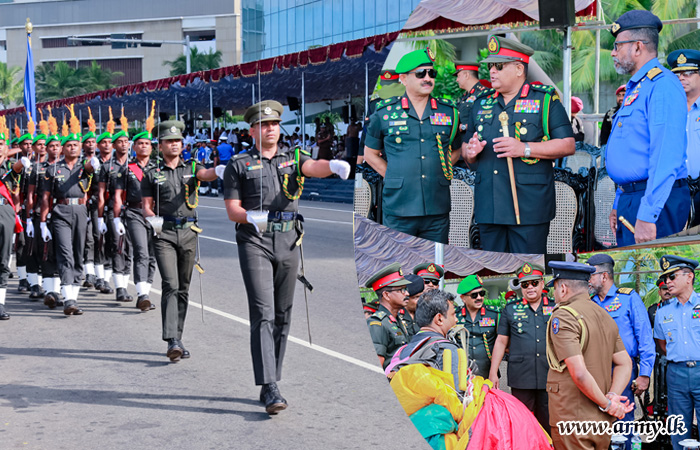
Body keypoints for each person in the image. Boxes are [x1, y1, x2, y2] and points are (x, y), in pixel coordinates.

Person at [222, 100, 350, 414]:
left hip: (289, 240)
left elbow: (310, 167)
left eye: (275, 124)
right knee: (263, 312)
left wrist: (332, 166)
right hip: (255, 240)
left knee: (283, 313)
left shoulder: (291, 157)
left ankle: (273, 377)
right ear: (253, 130)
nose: (270, 129)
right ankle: (269, 385)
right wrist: (251, 218)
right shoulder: (238, 165)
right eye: (263, 125)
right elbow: (232, 210)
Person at [463, 36, 575, 253]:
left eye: (498, 66)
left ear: (518, 69)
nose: (491, 71)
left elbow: (567, 144)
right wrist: (471, 153)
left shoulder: (544, 100)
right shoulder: (479, 103)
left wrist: (523, 148)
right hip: (490, 206)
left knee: (527, 268)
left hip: (528, 207)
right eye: (490, 66)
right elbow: (468, 155)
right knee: (495, 269)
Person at [364, 48, 464, 244]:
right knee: (401, 265)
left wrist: (440, 169)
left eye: (431, 73)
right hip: (399, 206)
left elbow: (455, 149)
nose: (427, 78)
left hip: (437, 208)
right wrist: (394, 175)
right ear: (403, 78)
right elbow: (370, 154)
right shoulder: (384, 113)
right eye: (420, 74)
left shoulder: (450, 112)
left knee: (435, 268)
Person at [607, 10, 689, 246]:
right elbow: (632, 151)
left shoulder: (661, 85)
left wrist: (648, 213)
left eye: (618, 45)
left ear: (637, 47)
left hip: (653, 201)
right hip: (632, 197)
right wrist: (618, 202)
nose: (613, 52)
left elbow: (665, 155)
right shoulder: (637, 86)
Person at [141, 121, 218, 361]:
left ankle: (178, 337)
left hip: (188, 232)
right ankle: (171, 339)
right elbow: (146, 206)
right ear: (160, 145)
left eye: (178, 141)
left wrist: (221, 169)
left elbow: (206, 175)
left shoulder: (192, 167)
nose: (174, 144)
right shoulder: (152, 173)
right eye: (169, 141)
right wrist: (152, 220)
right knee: (171, 284)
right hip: (164, 232)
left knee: (184, 287)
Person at [546, 261, 633, 450]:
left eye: (554, 289)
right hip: (601, 422)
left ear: (563, 288)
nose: (554, 295)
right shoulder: (604, 315)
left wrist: (608, 403)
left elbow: (578, 373)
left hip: (573, 419)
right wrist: (612, 396)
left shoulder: (565, 316)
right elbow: (625, 363)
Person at [586, 253, 655, 448]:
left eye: (591, 275)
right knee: (596, 420)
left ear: (604, 276)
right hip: (594, 370)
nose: (588, 280)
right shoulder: (589, 302)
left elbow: (645, 338)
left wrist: (644, 374)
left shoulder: (628, 298)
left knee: (622, 418)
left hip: (622, 370)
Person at [488, 263, 552, 434]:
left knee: (549, 421)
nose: (530, 288)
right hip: (521, 376)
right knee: (522, 422)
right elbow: (501, 341)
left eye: (534, 283)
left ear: (542, 283)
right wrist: (493, 371)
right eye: (525, 284)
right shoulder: (510, 309)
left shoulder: (556, 307)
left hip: (550, 375)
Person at [40, 128, 98, 315]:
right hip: (60, 212)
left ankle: (74, 295)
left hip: (81, 211)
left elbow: (89, 169)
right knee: (66, 254)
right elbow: (45, 197)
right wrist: (42, 222)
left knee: (78, 253)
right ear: (62, 149)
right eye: (69, 145)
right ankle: (68, 298)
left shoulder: (84, 167)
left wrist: (92, 164)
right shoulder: (54, 169)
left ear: (80, 148)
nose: (72, 148)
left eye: (75, 145)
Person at [653, 255, 700, 450]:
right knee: (678, 428)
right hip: (676, 374)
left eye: (672, 277)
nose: (667, 282)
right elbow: (662, 344)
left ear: (689, 277)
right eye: (666, 278)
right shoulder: (663, 312)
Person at [113, 127, 157, 311]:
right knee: (141, 251)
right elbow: (117, 196)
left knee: (153, 256)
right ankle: (142, 295)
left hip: (156, 214)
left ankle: (146, 290)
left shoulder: (158, 168)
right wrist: (116, 219)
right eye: (140, 144)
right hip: (134, 212)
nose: (144, 146)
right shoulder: (126, 169)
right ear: (134, 147)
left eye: (147, 144)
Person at [388, 289, 462, 390]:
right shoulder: (447, 349)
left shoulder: (403, 350)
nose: (456, 319)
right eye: (453, 314)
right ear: (439, 319)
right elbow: (456, 396)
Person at [98, 127, 133, 302]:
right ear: (114, 145)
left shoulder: (134, 165)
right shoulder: (107, 167)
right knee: (118, 246)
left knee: (130, 249)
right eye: (120, 142)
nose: (124, 144)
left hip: (133, 211)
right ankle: (120, 288)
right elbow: (101, 194)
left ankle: (125, 284)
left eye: (126, 141)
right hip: (114, 211)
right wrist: (99, 217)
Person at [668, 49, 700, 227]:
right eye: (677, 74)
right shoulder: (668, 110)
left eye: (688, 73)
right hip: (674, 190)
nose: (681, 78)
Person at [364, 263, 411, 370]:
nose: (407, 293)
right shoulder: (377, 324)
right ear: (386, 295)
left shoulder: (397, 320)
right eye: (402, 290)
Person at [455, 274, 498, 378]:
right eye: (474, 295)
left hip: (487, 374)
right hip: (460, 374)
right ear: (463, 298)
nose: (479, 298)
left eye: (481, 293)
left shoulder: (494, 315)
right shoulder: (454, 316)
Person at [0, 127, 22, 320]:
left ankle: (0, 304)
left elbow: (16, 171)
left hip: (4, 212)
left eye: (0, 145)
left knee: (3, 259)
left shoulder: (10, 168)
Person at [454, 60, 487, 127]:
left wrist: (463, 127)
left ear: (466, 75)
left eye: (458, 76)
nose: (457, 80)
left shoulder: (483, 94)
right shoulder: (465, 95)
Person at [398, 273, 424, 338]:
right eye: (416, 297)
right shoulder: (397, 316)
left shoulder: (426, 314)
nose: (420, 301)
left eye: (422, 296)